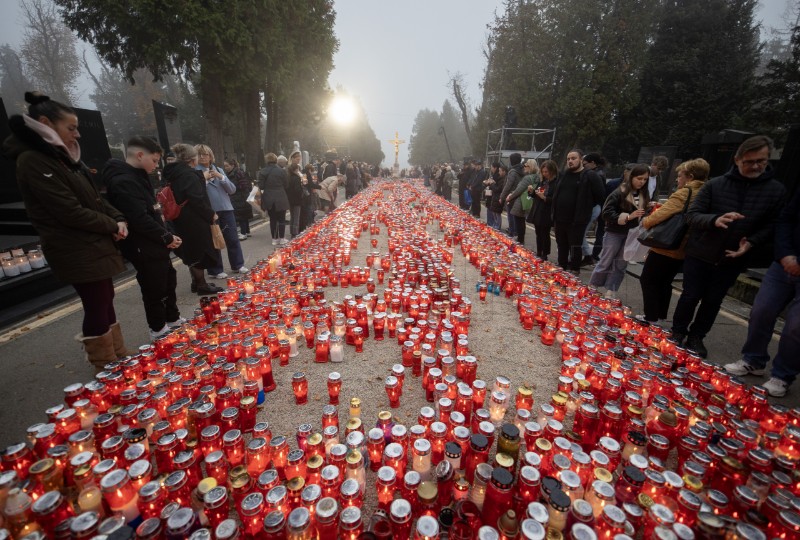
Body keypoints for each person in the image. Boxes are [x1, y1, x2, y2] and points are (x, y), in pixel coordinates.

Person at [4, 91, 132, 369]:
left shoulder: (65, 159)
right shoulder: (34, 161)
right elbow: (68, 211)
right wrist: (112, 224)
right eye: (71, 128)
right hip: (75, 247)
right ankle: (106, 365)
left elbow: (96, 199)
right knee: (97, 303)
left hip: (94, 243)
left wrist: (118, 217)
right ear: (46, 124)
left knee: (106, 299)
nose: (77, 135)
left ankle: (118, 357)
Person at [671, 136, 785, 357]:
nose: (755, 166)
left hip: (733, 256)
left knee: (713, 300)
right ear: (737, 160)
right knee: (690, 295)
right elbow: (692, 215)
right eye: (749, 161)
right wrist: (715, 220)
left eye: (761, 161)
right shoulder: (715, 185)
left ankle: (697, 337)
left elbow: (775, 224)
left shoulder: (775, 191)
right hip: (701, 252)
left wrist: (752, 242)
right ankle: (677, 332)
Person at [104, 136, 186, 341]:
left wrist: (167, 232)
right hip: (143, 245)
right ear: (140, 155)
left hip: (157, 242)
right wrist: (165, 236)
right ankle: (158, 328)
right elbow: (138, 218)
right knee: (154, 286)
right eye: (155, 160)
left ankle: (172, 318)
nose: (157, 165)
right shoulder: (123, 181)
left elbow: (155, 210)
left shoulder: (139, 176)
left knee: (168, 279)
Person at [724, 188, 800, 397]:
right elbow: (785, 219)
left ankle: (782, 375)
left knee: (795, 325)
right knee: (761, 310)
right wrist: (785, 253)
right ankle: (753, 359)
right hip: (783, 262)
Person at [638, 159, 709, 323]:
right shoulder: (706, 192)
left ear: (689, 176)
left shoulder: (685, 193)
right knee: (665, 282)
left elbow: (661, 215)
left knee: (648, 279)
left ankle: (651, 317)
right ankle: (660, 316)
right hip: (684, 247)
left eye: (679, 176)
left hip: (667, 245)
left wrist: (646, 221)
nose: (677, 180)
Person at [163, 143, 224, 296]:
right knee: (199, 251)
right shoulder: (188, 175)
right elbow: (197, 199)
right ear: (192, 159)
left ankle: (196, 282)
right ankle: (201, 285)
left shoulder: (175, 173)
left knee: (190, 250)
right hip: (194, 219)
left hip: (182, 219)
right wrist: (210, 213)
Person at [589, 164, 651, 296]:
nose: (642, 182)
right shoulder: (619, 192)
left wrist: (649, 210)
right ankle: (593, 286)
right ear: (632, 177)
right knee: (606, 260)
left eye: (645, 179)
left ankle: (611, 290)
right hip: (614, 232)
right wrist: (628, 217)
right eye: (639, 178)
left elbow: (643, 213)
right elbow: (606, 213)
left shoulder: (644, 194)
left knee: (621, 264)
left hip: (632, 233)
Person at [196, 144, 247, 278]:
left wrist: (221, 177)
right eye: (199, 154)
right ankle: (215, 270)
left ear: (210, 156)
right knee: (214, 241)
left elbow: (232, 189)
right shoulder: (195, 172)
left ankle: (238, 264)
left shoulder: (219, 169)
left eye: (205, 154)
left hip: (226, 208)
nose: (202, 157)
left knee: (232, 238)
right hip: (209, 212)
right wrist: (204, 179)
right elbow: (196, 192)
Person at [551, 149, 605, 273]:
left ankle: (575, 268)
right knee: (561, 244)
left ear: (581, 159)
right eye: (568, 159)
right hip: (559, 218)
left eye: (573, 158)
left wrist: (585, 206)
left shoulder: (590, 175)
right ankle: (562, 266)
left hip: (576, 220)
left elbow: (600, 196)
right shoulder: (564, 174)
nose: (570, 161)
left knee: (575, 245)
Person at [527, 160, 558, 260]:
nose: (545, 174)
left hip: (547, 211)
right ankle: (539, 251)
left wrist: (544, 198)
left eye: (547, 172)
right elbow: (536, 195)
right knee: (538, 232)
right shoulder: (542, 182)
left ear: (552, 171)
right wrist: (531, 192)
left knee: (545, 233)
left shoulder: (556, 183)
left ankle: (545, 253)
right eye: (543, 172)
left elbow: (556, 199)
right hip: (538, 210)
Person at [258, 152, 290, 245]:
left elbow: (261, 186)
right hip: (281, 196)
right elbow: (286, 184)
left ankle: (274, 239)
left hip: (269, 197)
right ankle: (282, 238)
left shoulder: (263, 171)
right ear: (276, 160)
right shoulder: (282, 171)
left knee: (272, 219)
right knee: (281, 219)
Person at [581, 153, 606, 266]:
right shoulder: (594, 173)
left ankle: (588, 256)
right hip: (591, 207)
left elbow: (599, 195)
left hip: (592, 208)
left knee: (580, 233)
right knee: (579, 233)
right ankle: (586, 256)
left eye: (585, 164)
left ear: (592, 163)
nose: (583, 165)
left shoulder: (597, 175)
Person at [507, 159, 539, 245]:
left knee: (519, 221)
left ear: (530, 167)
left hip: (521, 202)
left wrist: (510, 197)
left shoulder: (527, 178)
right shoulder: (537, 177)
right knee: (521, 221)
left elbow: (519, 190)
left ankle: (520, 239)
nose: (524, 167)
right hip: (529, 200)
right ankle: (521, 238)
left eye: (525, 166)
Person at [223, 157, 254, 240]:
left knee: (241, 215)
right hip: (241, 196)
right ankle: (247, 231)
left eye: (227, 166)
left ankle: (243, 233)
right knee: (244, 214)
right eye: (225, 166)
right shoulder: (237, 172)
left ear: (232, 165)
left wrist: (232, 187)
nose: (225, 168)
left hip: (239, 196)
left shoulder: (237, 173)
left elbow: (243, 185)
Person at [501, 153, 526, 237]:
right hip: (521, 197)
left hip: (511, 197)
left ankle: (512, 234)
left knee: (511, 217)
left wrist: (502, 196)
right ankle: (517, 234)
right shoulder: (523, 170)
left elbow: (508, 186)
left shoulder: (512, 172)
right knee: (519, 218)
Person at [286, 163, 304, 237]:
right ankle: (295, 232)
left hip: (290, 199)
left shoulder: (288, 178)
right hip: (297, 200)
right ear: (296, 169)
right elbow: (298, 190)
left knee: (292, 216)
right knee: (296, 216)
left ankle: (291, 231)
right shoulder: (297, 178)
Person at [486, 162, 505, 231]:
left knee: (497, 213)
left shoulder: (500, 179)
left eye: (500, 171)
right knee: (494, 211)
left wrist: (492, 183)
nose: (499, 172)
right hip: (494, 196)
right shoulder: (495, 176)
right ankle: (494, 225)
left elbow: (498, 188)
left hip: (497, 196)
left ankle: (497, 226)